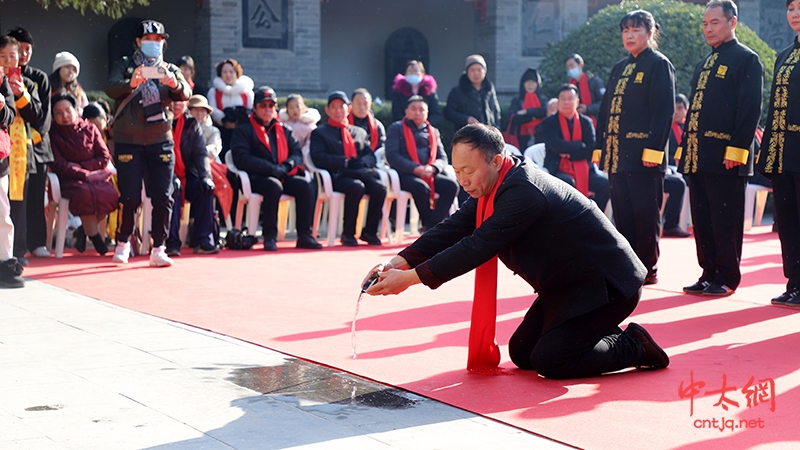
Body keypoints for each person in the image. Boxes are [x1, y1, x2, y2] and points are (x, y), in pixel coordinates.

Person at [364, 124, 668, 379]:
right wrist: (398, 262)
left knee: (551, 360)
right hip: (567, 285)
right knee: (523, 353)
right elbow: (453, 227)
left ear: (496, 161)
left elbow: (478, 246)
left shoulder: (523, 192)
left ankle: (634, 344)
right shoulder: (493, 187)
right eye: (457, 171)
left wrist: (411, 279)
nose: (463, 180)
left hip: (608, 285)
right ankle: (589, 332)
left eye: (469, 170)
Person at [675, 0, 762, 296]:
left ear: (732, 22)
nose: (708, 29)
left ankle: (726, 277)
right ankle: (707, 271)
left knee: (725, 219)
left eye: (715, 22)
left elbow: (750, 110)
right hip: (699, 155)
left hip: (727, 156)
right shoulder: (704, 62)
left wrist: (737, 150)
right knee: (702, 218)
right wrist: (685, 151)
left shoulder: (746, 58)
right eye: (705, 23)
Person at [594, 10, 676, 286]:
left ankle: (647, 267)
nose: (629, 35)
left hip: (644, 156)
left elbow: (663, 111)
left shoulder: (659, 64)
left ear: (650, 33)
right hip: (618, 154)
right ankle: (627, 265)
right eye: (625, 30)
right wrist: (601, 148)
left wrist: (653, 151)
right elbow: (605, 112)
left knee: (645, 212)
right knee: (623, 211)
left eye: (636, 30)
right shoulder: (620, 67)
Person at [105, 19, 192, 267]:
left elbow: (185, 91)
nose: (154, 44)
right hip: (128, 140)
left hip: (159, 139)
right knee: (130, 196)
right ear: (137, 42)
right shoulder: (124, 64)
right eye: (148, 40)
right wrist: (131, 82)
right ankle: (123, 242)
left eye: (158, 40)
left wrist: (174, 83)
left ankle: (159, 248)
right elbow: (110, 88)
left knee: (163, 196)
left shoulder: (169, 68)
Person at [231, 86, 322, 251]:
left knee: (304, 185)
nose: (267, 109)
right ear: (255, 108)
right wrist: (271, 169)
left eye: (271, 106)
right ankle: (270, 236)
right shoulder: (244, 130)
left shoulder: (284, 129)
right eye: (263, 106)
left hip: (281, 173)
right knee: (273, 185)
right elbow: (241, 158)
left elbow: (296, 153)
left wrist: (286, 166)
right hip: (257, 178)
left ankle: (304, 235)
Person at [757, 0, 800, 306]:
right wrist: (768, 156)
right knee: (787, 221)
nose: (794, 14)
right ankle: (794, 282)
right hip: (784, 154)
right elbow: (774, 110)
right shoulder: (784, 56)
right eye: (791, 8)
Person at [310, 91, 386, 246]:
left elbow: (370, 155)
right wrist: (344, 162)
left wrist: (362, 163)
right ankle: (348, 233)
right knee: (356, 187)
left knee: (380, 188)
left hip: (359, 172)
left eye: (341, 107)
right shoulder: (320, 133)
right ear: (328, 110)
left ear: (348, 109)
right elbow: (317, 157)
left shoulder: (359, 132)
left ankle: (369, 232)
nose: (338, 111)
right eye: (334, 107)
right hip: (338, 175)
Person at [49, 94, 117, 255]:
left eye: (67, 110)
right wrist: (83, 174)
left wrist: (83, 167)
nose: (64, 116)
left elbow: (104, 156)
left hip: (96, 177)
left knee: (110, 195)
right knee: (84, 194)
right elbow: (58, 163)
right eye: (58, 113)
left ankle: (82, 230)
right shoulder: (53, 134)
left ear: (76, 110)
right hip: (71, 180)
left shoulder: (90, 128)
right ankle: (96, 240)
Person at [6, 28, 52, 259]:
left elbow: (42, 119)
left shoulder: (36, 79)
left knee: (32, 200)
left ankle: (33, 243)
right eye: (17, 50)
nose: (22, 54)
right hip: (7, 148)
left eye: (26, 50)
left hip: (32, 148)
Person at [385, 95, 458, 231]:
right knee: (421, 187)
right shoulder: (396, 128)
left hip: (429, 173)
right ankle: (431, 227)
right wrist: (415, 168)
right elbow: (392, 156)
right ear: (406, 111)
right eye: (414, 109)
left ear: (427, 113)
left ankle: (431, 226)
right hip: (406, 174)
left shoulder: (433, 131)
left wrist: (433, 168)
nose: (418, 112)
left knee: (451, 186)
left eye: (421, 110)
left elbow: (443, 157)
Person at [1, 35, 41, 267]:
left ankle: (17, 250)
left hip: (19, 151)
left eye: (12, 56)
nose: (8, 60)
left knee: (17, 203)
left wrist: (20, 95)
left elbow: (38, 116)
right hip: (3, 146)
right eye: (3, 56)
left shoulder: (29, 83)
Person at [536, 85, 608, 211]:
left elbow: (591, 147)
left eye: (570, 98)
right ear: (558, 102)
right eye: (563, 99)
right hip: (557, 168)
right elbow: (556, 146)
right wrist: (579, 145)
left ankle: (592, 216)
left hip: (584, 168)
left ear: (577, 102)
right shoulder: (549, 122)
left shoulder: (586, 122)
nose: (567, 102)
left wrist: (570, 154)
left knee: (606, 185)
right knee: (567, 183)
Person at [165, 99, 218, 256]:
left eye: (181, 101)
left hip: (187, 175)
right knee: (173, 188)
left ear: (186, 104)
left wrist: (206, 177)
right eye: (174, 100)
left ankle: (203, 240)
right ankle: (171, 242)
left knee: (204, 189)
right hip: (162, 175)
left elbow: (200, 154)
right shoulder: (159, 120)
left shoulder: (191, 124)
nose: (177, 104)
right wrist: (171, 176)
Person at [0, 61, 24, 288]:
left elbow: (10, 115)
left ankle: (5, 265)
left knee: (2, 214)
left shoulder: (0, 78)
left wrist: (0, 107)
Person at [443, 54, 501, 131]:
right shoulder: (458, 91)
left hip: (488, 133)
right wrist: (466, 119)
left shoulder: (489, 89)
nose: (476, 73)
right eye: (472, 70)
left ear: (485, 71)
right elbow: (449, 113)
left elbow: (496, 112)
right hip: (467, 134)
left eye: (479, 70)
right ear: (467, 72)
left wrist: (496, 128)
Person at [662, 94, 691, 238]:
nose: (676, 112)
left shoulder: (690, 128)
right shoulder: (664, 128)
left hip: (688, 166)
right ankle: (671, 225)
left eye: (680, 108)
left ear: (687, 109)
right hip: (671, 167)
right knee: (679, 183)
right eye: (674, 109)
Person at [391, 60, 441, 126]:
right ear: (405, 74)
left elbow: (435, 112)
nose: (413, 73)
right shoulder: (399, 91)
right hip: (404, 127)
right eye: (410, 71)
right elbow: (396, 112)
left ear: (423, 74)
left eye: (416, 70)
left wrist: (425, 125)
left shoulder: (430, 92)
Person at [509, 68, 548, 149]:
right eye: (528, 82)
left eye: (533, 83)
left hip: (539, 136)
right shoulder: (517, 100)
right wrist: (533, 117)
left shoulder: (543, 100)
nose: (530, 85)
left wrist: (526, 111)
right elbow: (515, 118)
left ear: (537, 84)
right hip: (521, 138)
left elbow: (544, 111)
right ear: (523, 84)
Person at [566, 54, 606, 125]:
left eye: (572, 65)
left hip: (596, 122)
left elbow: (605, 102)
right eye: (567, 67)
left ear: (581, 65)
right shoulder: (570, 85)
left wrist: (587, 109)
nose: (570, 69)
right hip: (576, 121)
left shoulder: (594, 81)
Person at [187, 95, 222, 161]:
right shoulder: (182, 128)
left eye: (202, 110)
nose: (199, 113)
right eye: (196, 110)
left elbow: (214, 148)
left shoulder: (213, 131)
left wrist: (198, 152)